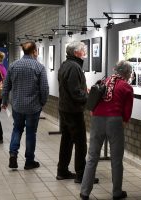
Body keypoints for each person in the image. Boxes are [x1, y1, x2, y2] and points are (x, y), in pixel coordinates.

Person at [80, 60, 134, 200]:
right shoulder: (126, 87)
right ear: (127, 73)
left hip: (97, 119)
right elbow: (127, 112)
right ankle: (117, 192)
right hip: (115, 121)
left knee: (92, 157)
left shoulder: (104, 81)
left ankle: (84, 192)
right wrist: (124, 122)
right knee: (116, 159)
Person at [1, 41, 49, 170]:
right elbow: (44, 88)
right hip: (33, 106)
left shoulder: (13, 65)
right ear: (34, 51)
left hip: (17, 105)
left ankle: (13, 154)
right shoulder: (39, 67)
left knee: (17, 129)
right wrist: (42, 102)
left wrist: (4, 101)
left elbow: (6, 86)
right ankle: (29, 161)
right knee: (31, 133)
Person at [56, 41, 98, 184]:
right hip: (73, 110)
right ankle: (81, 175)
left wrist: (82, 90)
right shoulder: (74, 67)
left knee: (67, 141)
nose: (85, 51)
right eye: (83, 50)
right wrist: (90, 98)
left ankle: (62, 171)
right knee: (80, 143)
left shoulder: (66, 64)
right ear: (76, 53)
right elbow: (75, 92)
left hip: (65, 108)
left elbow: (70, 88)